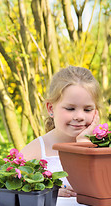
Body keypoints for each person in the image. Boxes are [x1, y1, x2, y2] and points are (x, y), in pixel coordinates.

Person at [20, 66, 103, 197]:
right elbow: (8, 184)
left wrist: (83, 144)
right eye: (70, 108)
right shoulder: (36, 150)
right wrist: (45, 189)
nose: (80, 116)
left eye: (87, 110)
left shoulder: (104, 148)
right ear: (51, 108)